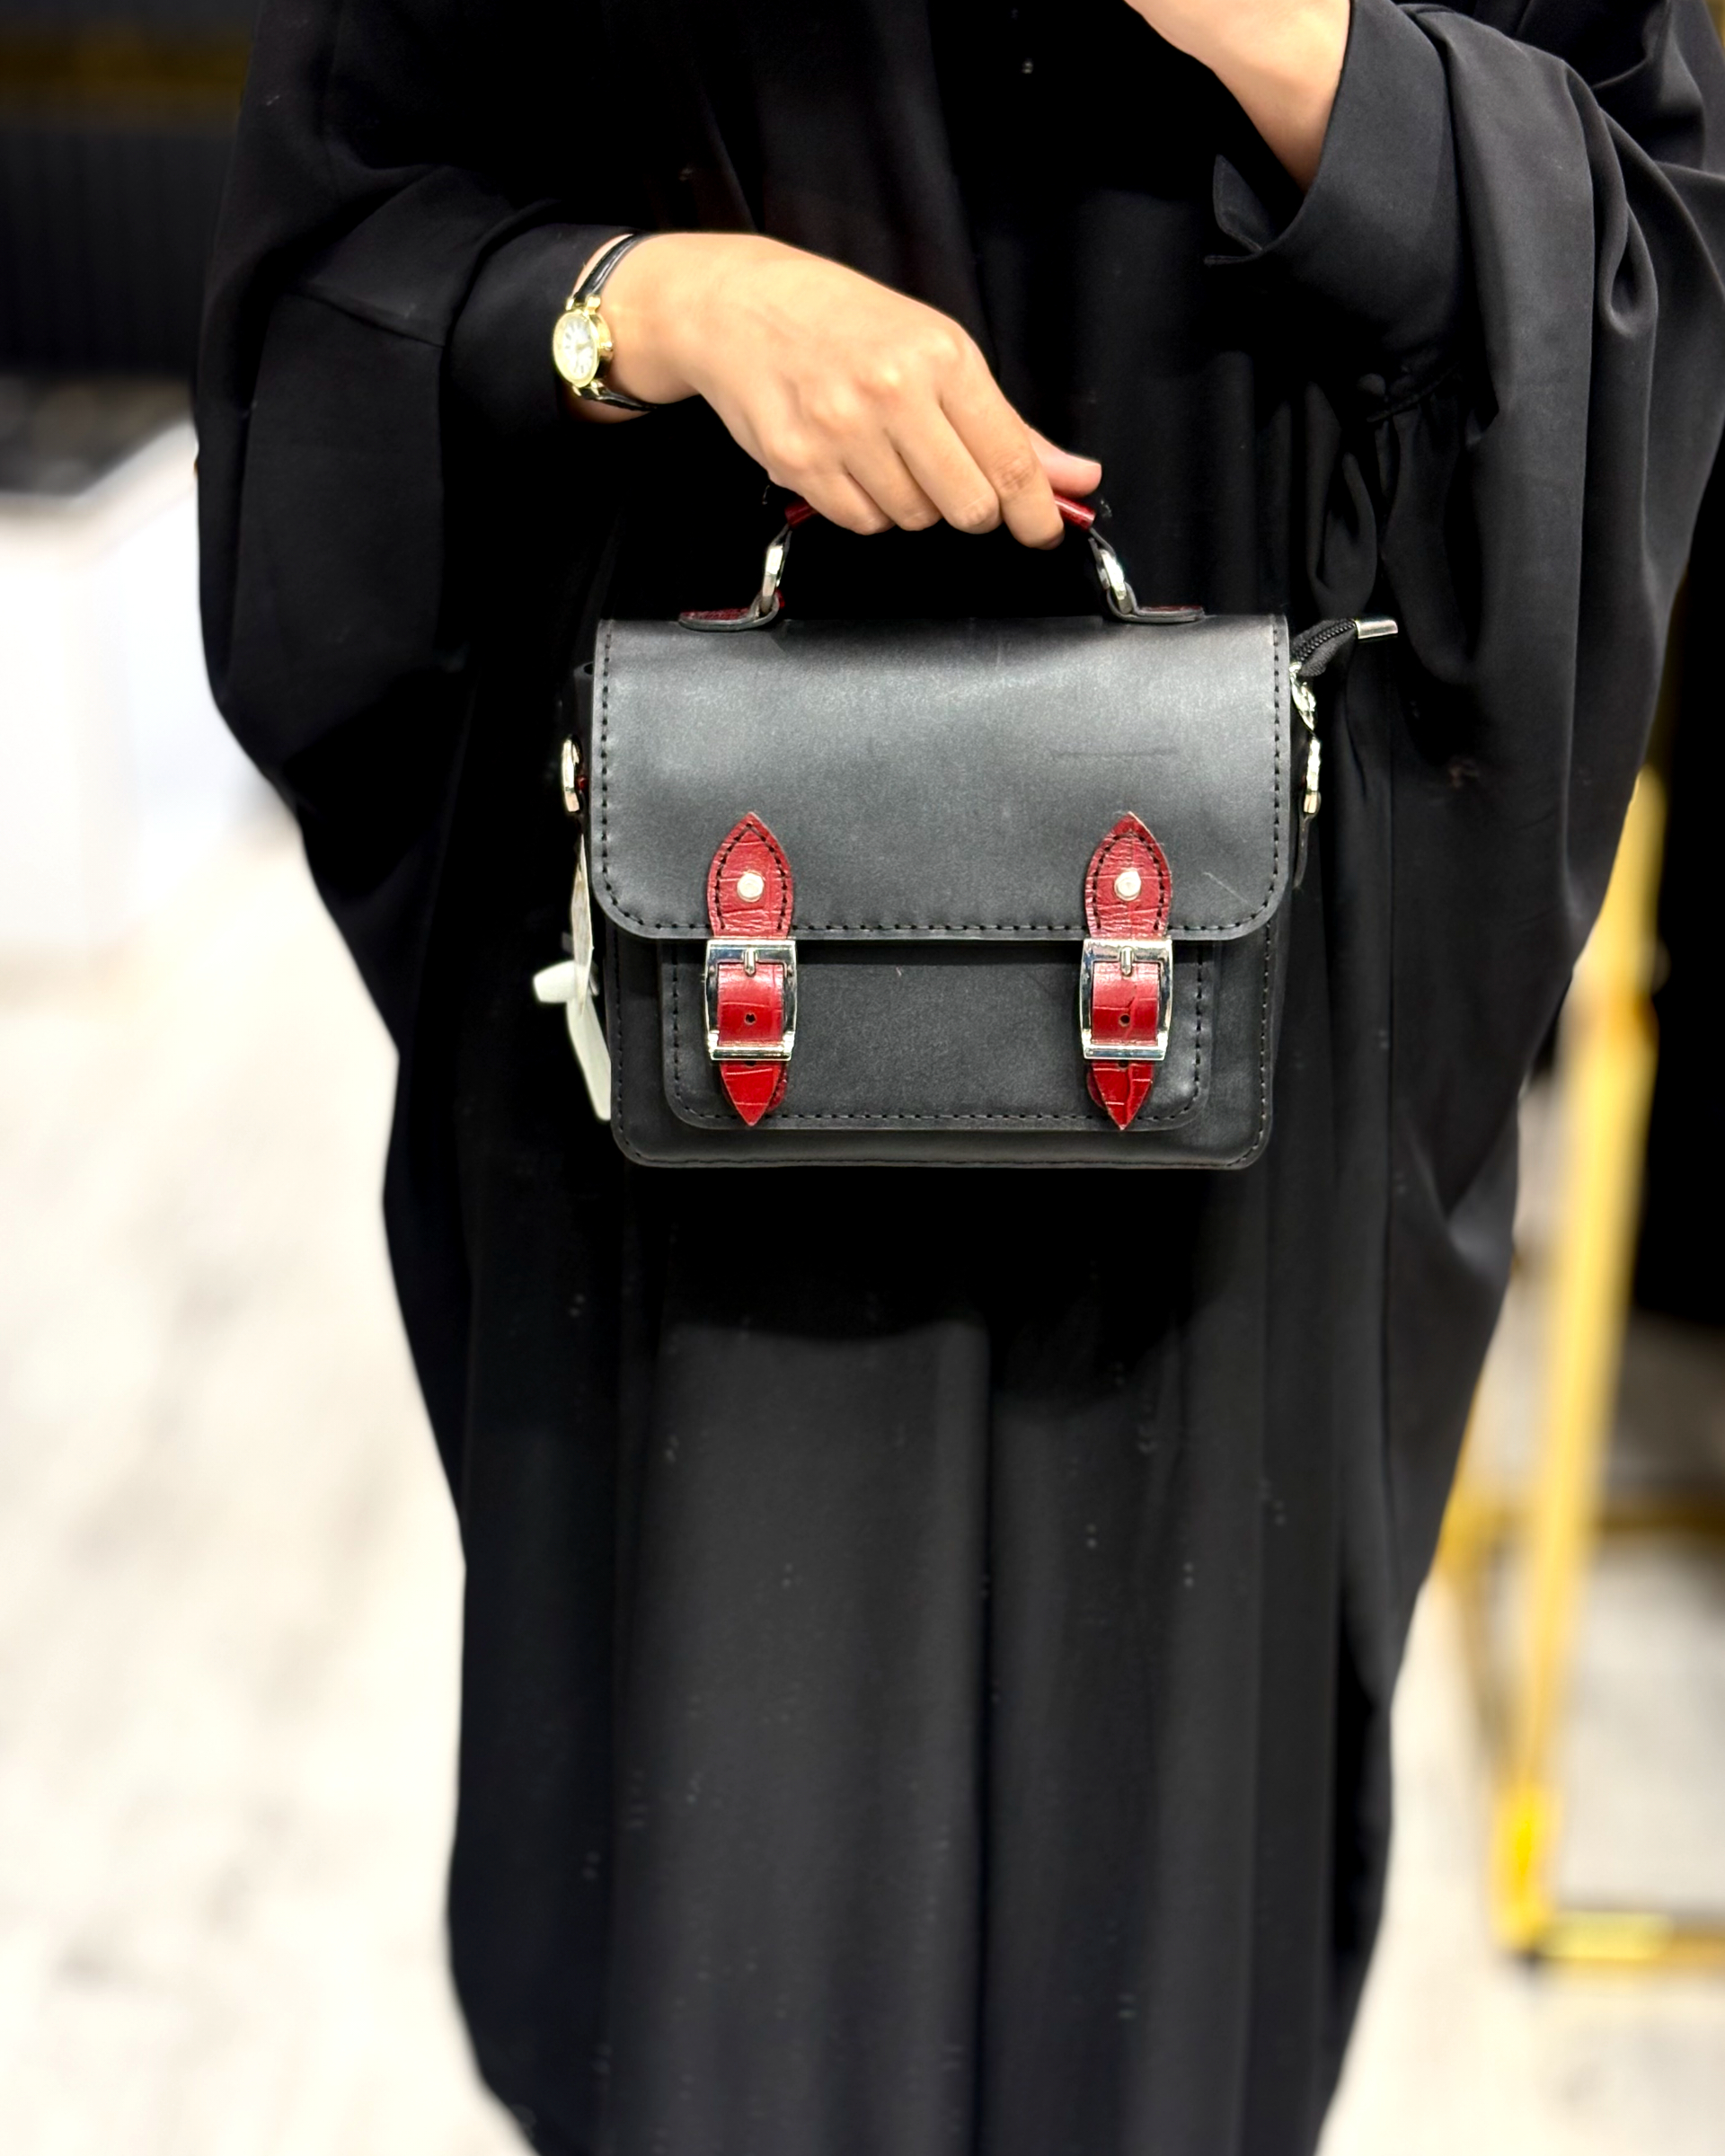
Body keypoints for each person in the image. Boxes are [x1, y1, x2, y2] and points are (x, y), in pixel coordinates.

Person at [196, 2, 1725, 2151]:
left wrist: (1286, 42)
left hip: (1231, 978)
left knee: (1155, 1940)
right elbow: (333, 258)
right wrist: (650, 305)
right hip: (708, 984)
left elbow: (1626, 254)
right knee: (722, 1923)